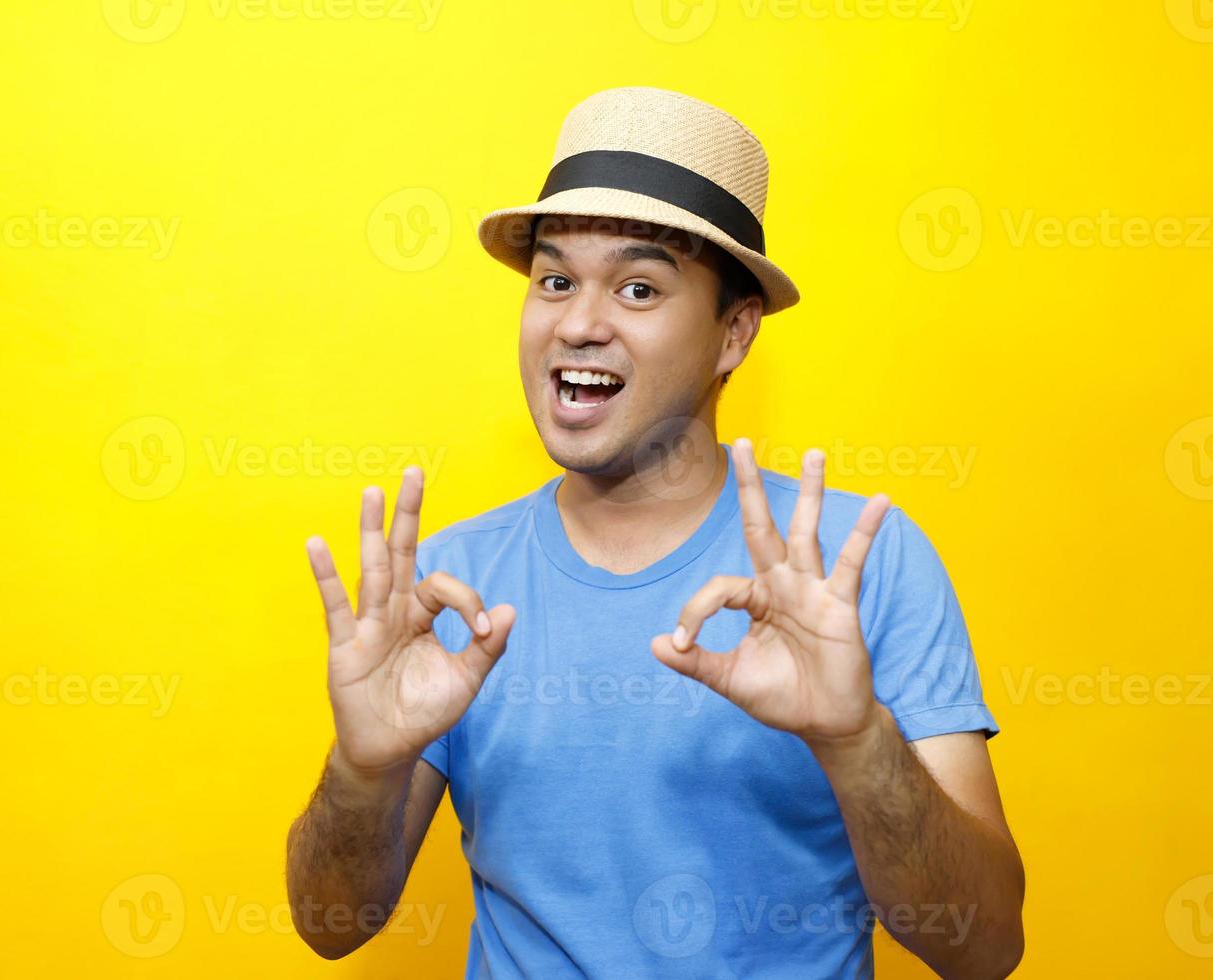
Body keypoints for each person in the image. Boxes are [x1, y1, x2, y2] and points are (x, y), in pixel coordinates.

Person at [286, 86, 1025, 978]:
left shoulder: (857, 562)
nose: (580, 324)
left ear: (733, 335)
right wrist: (364, 770)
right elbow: (331, 926)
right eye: (555, 280)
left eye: (639, 287)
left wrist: (857, 739)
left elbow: (984, 949)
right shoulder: (446, 587)